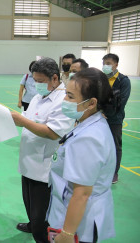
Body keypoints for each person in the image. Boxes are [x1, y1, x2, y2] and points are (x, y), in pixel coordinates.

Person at [47, 68, 116, 243]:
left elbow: (82, 193)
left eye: (70, 96)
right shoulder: (90, 122)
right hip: (71, 212)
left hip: (78, 224)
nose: (65, 100)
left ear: (91, 103)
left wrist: (67, 234)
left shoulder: (89, 138)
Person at [11, 58, 75, 243]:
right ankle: (32, 224)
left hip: (44, 168)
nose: (36, 85)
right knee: (29, 204)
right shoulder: (39, 96)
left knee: (41, 215)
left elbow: (53, 133)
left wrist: (22, 121)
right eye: (35, 81)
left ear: (55, 78)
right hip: (28, 162)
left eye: (40, 81)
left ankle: (40, 233)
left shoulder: (63, 100)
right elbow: (29, 117)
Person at [102, 53, 131, 184]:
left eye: (108, 63)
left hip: (114, 119)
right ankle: (102, 169)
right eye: (104, 63)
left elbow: (121, 103)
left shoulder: (123, 81)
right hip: (100, 117)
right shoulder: (102, 79)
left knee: (115, 146)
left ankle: (114, 172)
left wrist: (108, 114)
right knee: (101, 145)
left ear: (116, 65)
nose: (105, 66)